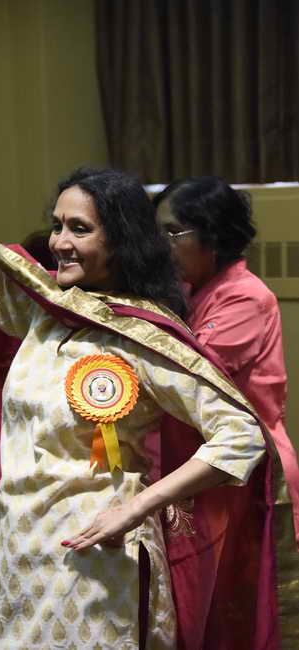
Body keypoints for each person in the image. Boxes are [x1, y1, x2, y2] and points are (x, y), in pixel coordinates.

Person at [0, 22, 297, 650]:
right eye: (56, 225)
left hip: (97, 569)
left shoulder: (145, 336)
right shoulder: (40, 312)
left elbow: (241, 437)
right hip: (13, 559)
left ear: (121, 240)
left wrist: (137, 507)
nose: (58, 242)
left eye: (79, 229)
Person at [153, 176, 299, 543]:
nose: (162, 246)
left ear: (214, 235)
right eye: (157, 233)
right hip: (214, 467)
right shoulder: (191, 289)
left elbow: (188, 372)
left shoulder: (245, 296)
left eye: (173, 233)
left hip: (251, 470)